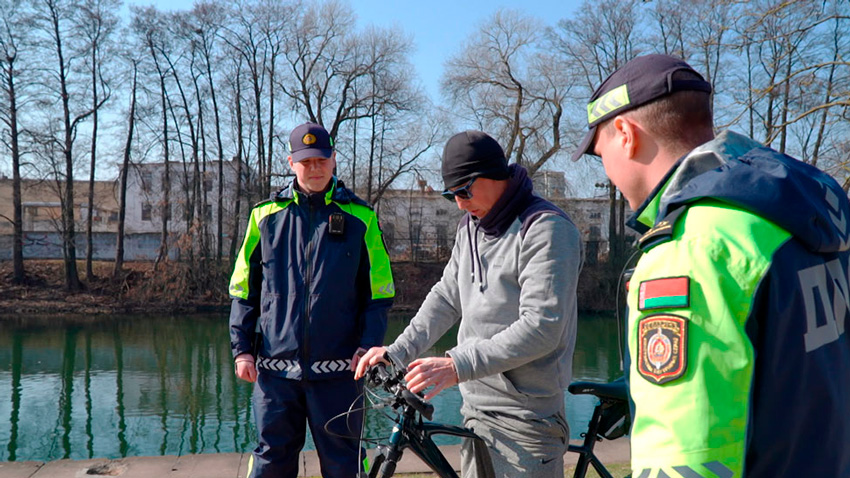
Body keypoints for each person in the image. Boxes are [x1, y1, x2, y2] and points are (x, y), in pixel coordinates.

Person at [572, 53, 850, 477]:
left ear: (626, 134)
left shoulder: (693, 246)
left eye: (599, 152)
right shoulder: (806, 210)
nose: (607, 170)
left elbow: (683, 461)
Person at [355, 130, 583, 478]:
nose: (460, 203)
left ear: (494, 174)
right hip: (475, 411)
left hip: (526, 419)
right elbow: (447, 297)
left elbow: (543, 327)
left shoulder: (546, 229)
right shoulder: (470, 228)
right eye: (451, 195)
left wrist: (457, 365)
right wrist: (396, 351)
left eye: (464, 190)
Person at [228, 122, 395, 478]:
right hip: (274, 375)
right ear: (291, 163)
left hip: (339, 374)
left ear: (333, 160)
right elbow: (244, 289)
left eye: (322, 159)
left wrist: (369, 346)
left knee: (344, 465)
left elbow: (380, 293)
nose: (315, 168)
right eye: (306, 162)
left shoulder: (361, 218)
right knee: (271, 461)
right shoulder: (264, 216)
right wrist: (242, 348)